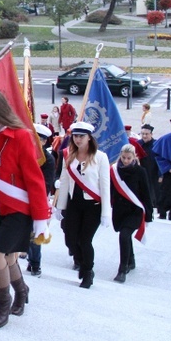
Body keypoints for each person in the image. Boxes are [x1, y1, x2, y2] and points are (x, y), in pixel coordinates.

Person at [0, 90, 50, 328]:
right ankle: (22, 290)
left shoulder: (21, 136)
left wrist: (40, 218)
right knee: (7, 256)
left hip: (19, 209)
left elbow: (34, 179)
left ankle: (3, 303)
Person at [55, 121, 111, 289]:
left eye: (81, 136)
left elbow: (105, 185)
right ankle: (79, 260)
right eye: (75, 136)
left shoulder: (100, 157)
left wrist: (106, 212)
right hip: (74, 203)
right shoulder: (69, 155)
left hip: (93, 205)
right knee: (71, 239)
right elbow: (64, 182)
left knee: (85, 240)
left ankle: (88, 271)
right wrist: (60, 206)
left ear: (89, 138)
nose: (78, 139)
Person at [110, 144, 152, 284]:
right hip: (120, 210)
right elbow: (110, 189)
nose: (126, 161)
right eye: (124, 158)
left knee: (124, 235)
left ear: (134, 157)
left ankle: (122, 269)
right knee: (125, 236)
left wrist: (149, 214)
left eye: (129, 158)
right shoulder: (115, 171)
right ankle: (131, 260)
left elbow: (146, 193)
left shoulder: (140, 171)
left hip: (135, 211)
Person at [27, 124, 56, 277]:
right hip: (21, 197)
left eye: (40, 139)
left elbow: (46, 184)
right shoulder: (24, 153)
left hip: (37, 200)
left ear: (44, 142)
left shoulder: (48, 160)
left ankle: (35, 263)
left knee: (35, 233)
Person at [138, 124, 161, 214]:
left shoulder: (157, 144)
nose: (144, 136)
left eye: (146, 134)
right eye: (142, 134)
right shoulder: (138, 144)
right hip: (141, 172)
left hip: (153, 172)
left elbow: (160, 160)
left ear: (151, 134)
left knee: (155, 193)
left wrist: (161, 174)